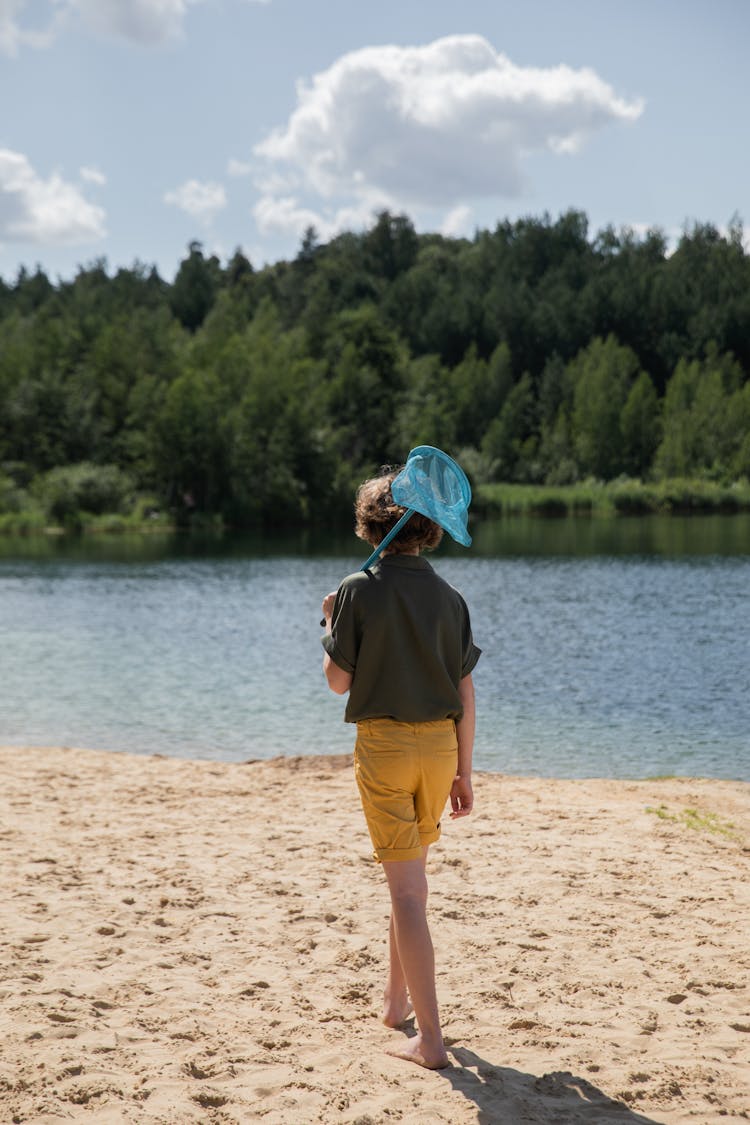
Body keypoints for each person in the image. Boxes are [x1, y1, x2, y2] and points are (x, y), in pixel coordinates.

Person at [320, 467, 480, 1069]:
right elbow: (465, 692)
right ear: (429, 528)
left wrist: (329, 623)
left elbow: (338, 683)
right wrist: (466, 771)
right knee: (409, 881)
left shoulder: (358, 589)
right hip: (440, 750)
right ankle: (394, 1004)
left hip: (385, 748)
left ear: (372, 524)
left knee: (406, 890)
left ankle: (432, 1041)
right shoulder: (451, 599)